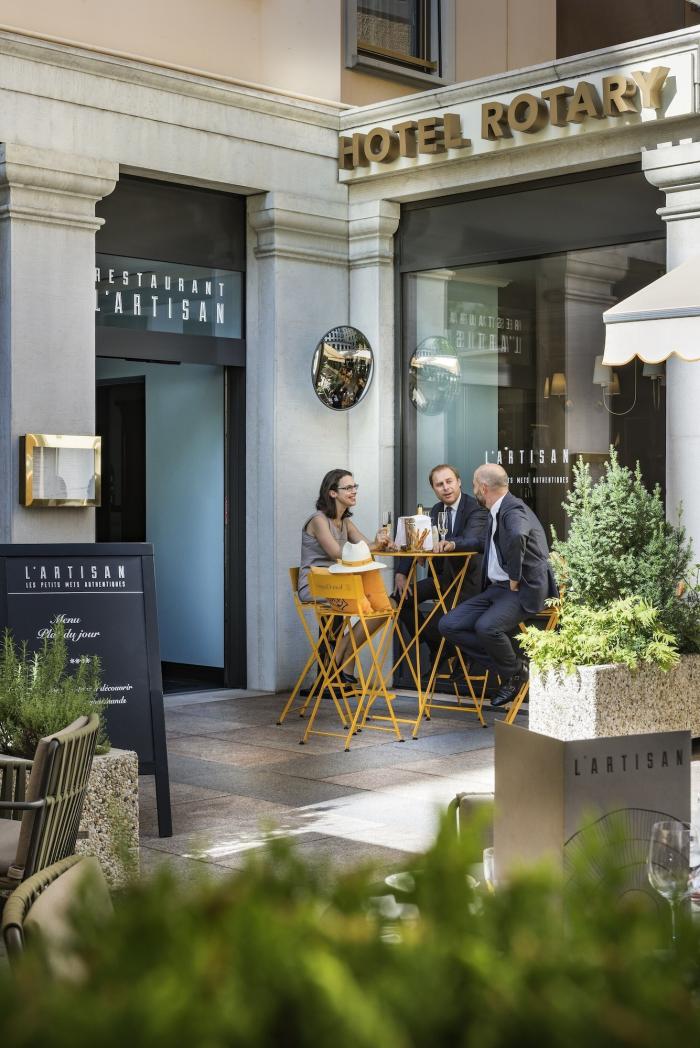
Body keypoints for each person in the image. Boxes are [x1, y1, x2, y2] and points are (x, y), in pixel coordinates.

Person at [438, 463, 558, 707]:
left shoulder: (513, 509)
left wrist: (514, 575)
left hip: (521, 589)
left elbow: (517, 535)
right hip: (498, 590)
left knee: (486, 627)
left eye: (474, 484)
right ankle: (515, 669)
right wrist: (454, 544)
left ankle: (512, 672)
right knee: (449, 624)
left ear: (483, 488)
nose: (473, 489)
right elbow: (485, 543)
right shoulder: (497, 509)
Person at [394, 463, 488, 672]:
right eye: (439, 484)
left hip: (467, 582)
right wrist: (401, 572)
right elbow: (418, 538)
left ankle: (451, 651)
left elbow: (472, 540)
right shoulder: (436, 510)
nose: (446, 488)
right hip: (442, 579)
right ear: (434, 489)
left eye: (449, 481)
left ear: (459, 482)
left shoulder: (475, 508)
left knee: (437, 624)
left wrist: (449, 543)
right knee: (400, 599)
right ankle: (438, 647)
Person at [299, 469, 389, 684]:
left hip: (338, 583)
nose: (354, 491)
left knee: (383, 606)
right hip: (316, 584)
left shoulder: (345, 522)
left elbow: (366, 546)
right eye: (348, 488)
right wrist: (372, 547)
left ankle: (339, 658)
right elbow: (336, 553)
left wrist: (379, 542)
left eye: (354, 486)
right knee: (367, 604)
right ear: (332, 493)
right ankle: (338, 666)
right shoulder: (319, 520)